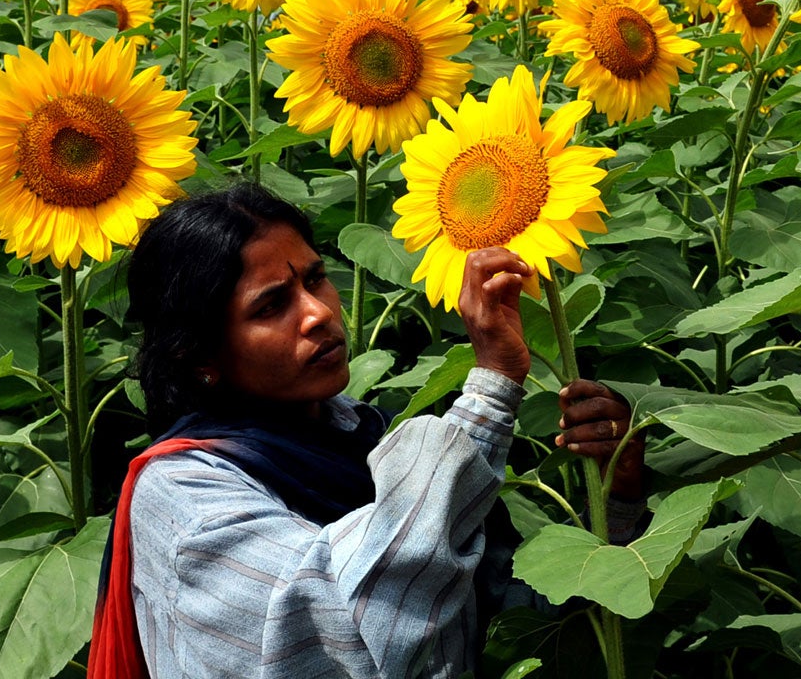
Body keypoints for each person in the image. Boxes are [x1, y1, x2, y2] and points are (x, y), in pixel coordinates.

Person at [89, 183, 643, 679]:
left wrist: (614, 498)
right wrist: (490, 392)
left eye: (315, 279)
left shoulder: (361, 435)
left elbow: (503, 623)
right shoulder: (183, 497)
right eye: (271, 305)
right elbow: (343, 630)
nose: (318, 313)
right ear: (200, 355)